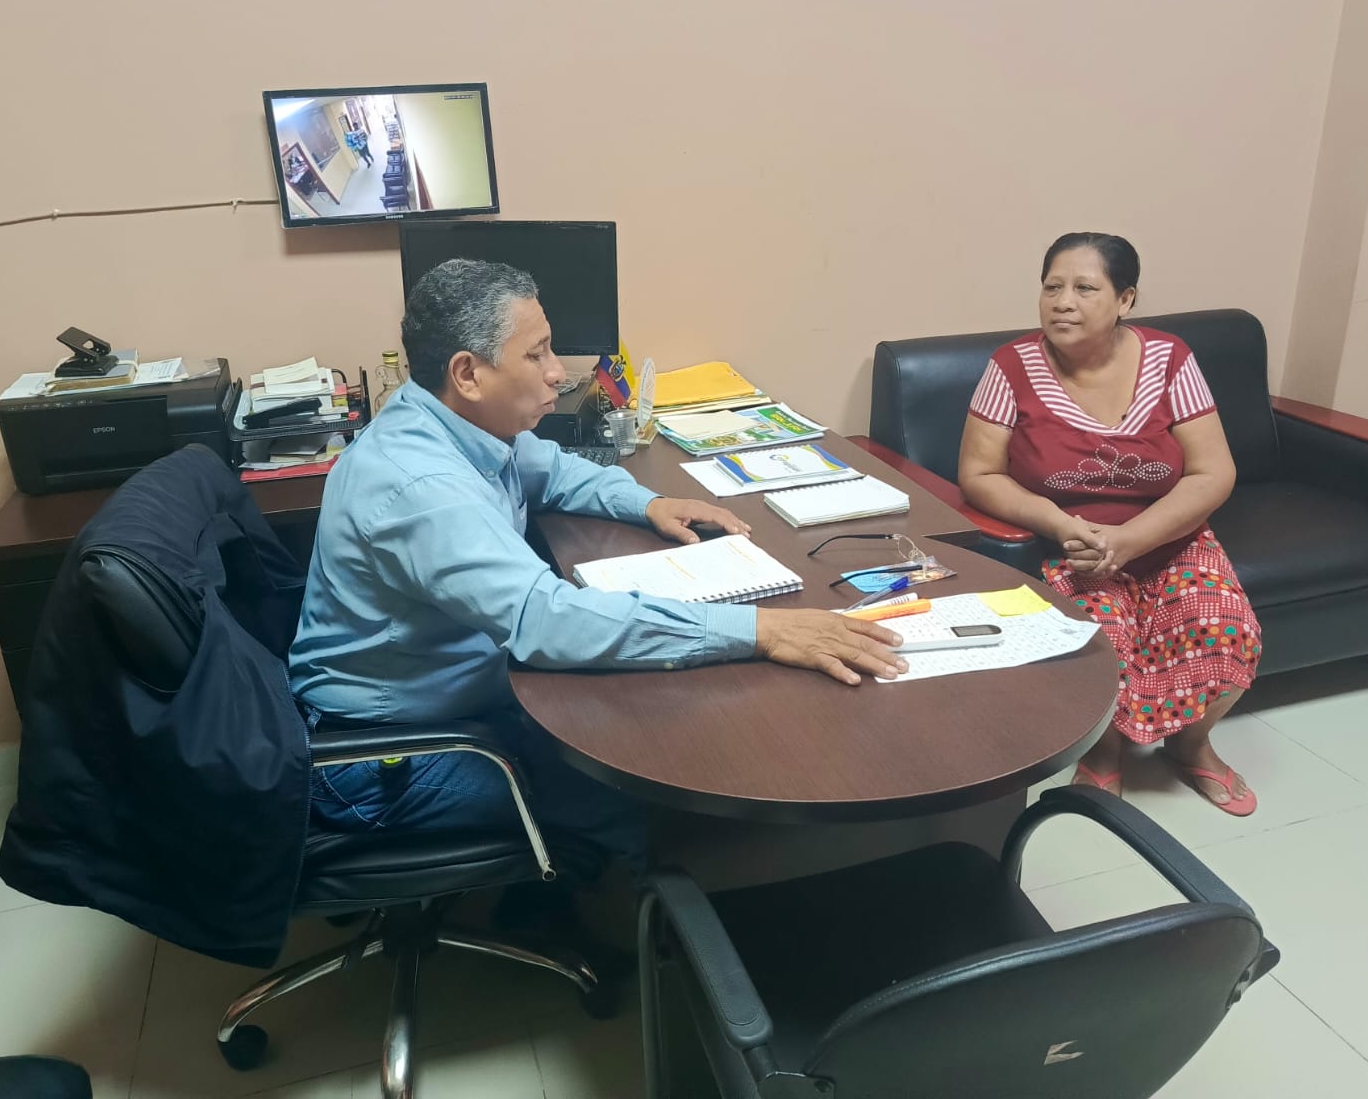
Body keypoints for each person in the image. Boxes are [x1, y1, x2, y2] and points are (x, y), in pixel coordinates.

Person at [289, 258, 906, 870]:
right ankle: (601, 908)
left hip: (446, 700)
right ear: (468, 374)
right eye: (536, 354)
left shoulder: (452, 421)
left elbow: (556, 471)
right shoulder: (421, 487)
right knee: (628, 787)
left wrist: (650, 503)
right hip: (382, 755)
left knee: (642, 720)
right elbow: (547, 622)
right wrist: (760, 630)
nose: (558, 372)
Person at [957, 233, 1261, 814]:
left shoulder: (1170, 360)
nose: (1063, 303)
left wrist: (1132, 539)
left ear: (1125, 299)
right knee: (1098, 645)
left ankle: (1191, 745)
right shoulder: (1011, 366)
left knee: (1226, 628)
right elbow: (979, 474)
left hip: (1169, 540)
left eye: (1084, 288)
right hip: (1071, 547)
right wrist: (1059, 523)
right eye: (1052, 287)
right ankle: (1102, 753)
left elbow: (1213, 472)